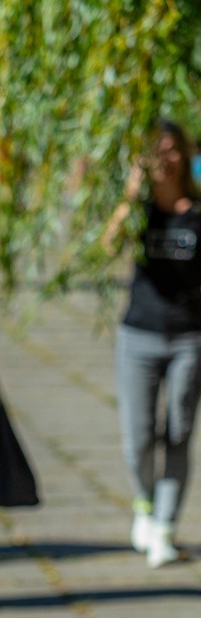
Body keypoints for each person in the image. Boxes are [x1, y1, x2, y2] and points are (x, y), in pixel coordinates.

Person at [107, 119, 201, 567]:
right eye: (156, 152)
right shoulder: (139, 210)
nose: (166, 160)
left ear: (186, 154)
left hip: (189, 338)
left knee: (179, 432)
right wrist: (130, 193)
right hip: (138, 335)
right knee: (139, 439)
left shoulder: (196, 210)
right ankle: (144, 503)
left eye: (172, 150)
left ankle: (164, 526)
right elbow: (106, 246)